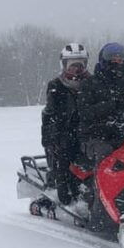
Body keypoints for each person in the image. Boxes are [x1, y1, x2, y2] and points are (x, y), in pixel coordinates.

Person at [77, 43, 124, 227]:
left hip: (121, 134)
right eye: (113, 59)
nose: (117, 62)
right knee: (106, 156)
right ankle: (99, 209)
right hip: (94, 136)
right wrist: (110, 107)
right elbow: (84, 112)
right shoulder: (90, 84)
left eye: (121, 59)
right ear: (104, 60)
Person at [41, 42, 91, 205]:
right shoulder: (56, 86)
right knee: (65, 157)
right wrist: (51, 139)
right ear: (64, 65)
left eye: (80, 65)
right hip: (65, 134)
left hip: (89, 131)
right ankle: (64, 192)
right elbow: (49, 114)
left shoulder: (92, 83)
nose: (76, 69)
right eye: (72, 65)